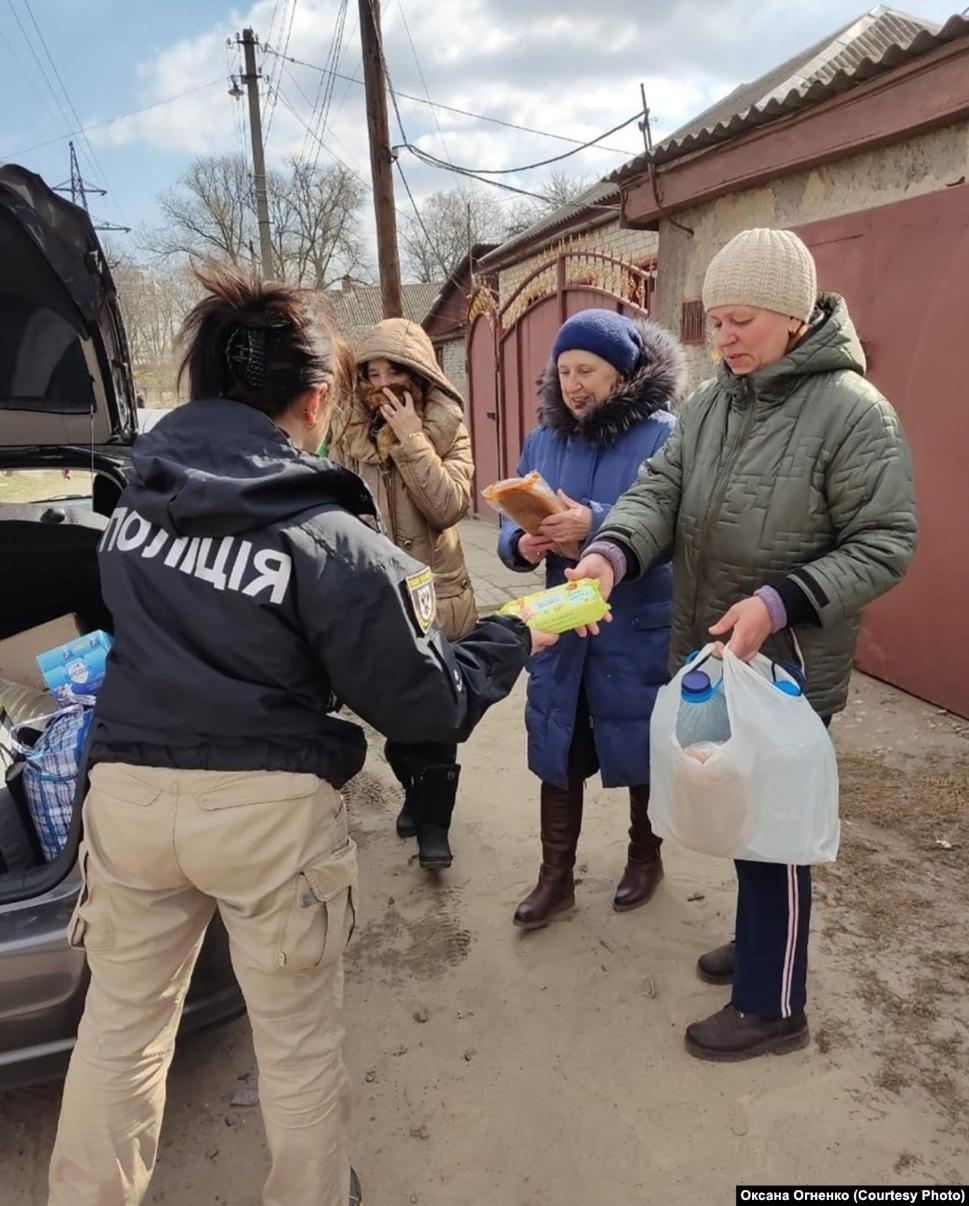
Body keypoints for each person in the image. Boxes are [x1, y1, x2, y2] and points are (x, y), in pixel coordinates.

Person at [47, 266, 550, 1206]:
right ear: (318, 397)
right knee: (296, 1048)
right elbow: (423, 705)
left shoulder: (133, 502)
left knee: (118, 1037)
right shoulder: (329, 538)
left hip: (128, 800)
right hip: (266, 814)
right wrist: (518, 632)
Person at [570, 229, 918, 1060]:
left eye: (742, 321)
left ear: (793, 319)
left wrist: (778, 600)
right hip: (712, 656)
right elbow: (659, 490)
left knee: (777, 835)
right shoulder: (711, 403)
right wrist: (606, 555)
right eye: (715, 320)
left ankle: (775, 1006)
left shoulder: (851, 412)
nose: (722, 337)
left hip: (786, 664)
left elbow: (884, 542)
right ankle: (762, 945)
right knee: (738, 812)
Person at [497, 309, 685, 929]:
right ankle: (556, 878)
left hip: (634, 622)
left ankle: (644, 856)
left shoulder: (664, 435)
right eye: (566, 370)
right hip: (563, 617)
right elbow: (510, 526)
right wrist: (519, 544)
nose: (575, 383)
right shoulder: (545, 438)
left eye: (589, 370)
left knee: (638, 743)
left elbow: (679, 526)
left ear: (622, 371)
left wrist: (595, 523)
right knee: (560, 744)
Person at [331, 318, 476, 870]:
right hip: (374, 601)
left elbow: (447, 508)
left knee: (436, 720)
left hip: (435, 597)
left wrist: (413, 440)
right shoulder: (348, 437)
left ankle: (434, 825)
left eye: (396, 369)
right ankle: (416, 794)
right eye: (372, 371)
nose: (383, 381)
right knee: (394, 725)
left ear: (420, 374)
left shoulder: (447, 428)